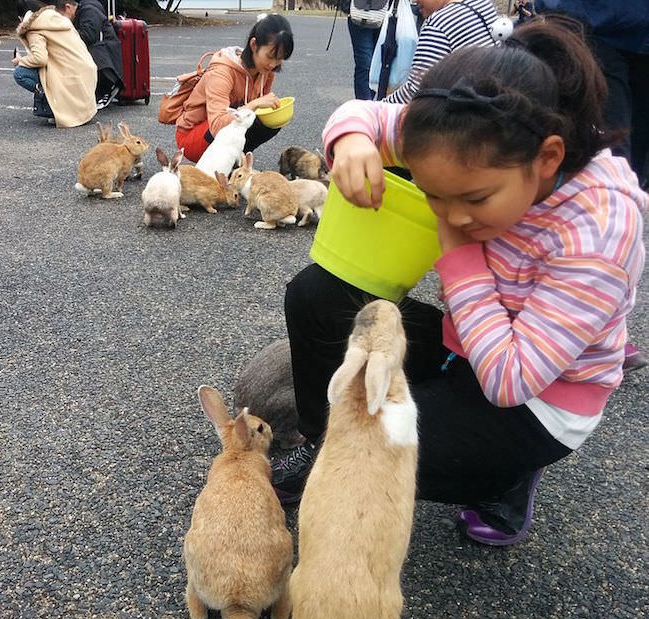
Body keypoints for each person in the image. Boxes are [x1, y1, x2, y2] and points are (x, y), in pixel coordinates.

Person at [272, 18, 646, 547]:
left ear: (548, 158)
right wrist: (352, 139)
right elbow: (364, 115)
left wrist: (459, 251)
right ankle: (321, 438)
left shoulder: (599, 230)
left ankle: (504, 477)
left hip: (535, 399)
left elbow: (510, 379)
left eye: (473, 199)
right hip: (466, 345)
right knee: (316, 296)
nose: (452, 214)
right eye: (435, 195)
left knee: (373, 444)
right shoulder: (466, 132)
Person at [534, 1, 649, 373]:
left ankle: (600, 318)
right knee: (592, 159)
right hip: (589, 20)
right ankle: (572, 318)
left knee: (633, 178)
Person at [174, 14, 294, 164]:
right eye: (270, 56)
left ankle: (234, 162)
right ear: (254, 45)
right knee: (247, 115)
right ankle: (219, 166)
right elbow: (217, 126)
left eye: (279, 58)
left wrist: (262, 108)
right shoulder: (221, 72)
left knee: (270, 121)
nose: (273, 64)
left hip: (222, 127)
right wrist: (254, 104)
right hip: (193, 137)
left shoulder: (266, 72)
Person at [383, 0, 497, 103]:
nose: (414, 1)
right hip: (494, 107)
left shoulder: (439, 23)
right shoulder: (482, 4)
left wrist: (375, 111)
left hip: (466, 116)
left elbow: (415, 92)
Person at [13, 0, 97, 128]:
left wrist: (20, 61)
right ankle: (71, 109)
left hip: (68, 76)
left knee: (20, 73)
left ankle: (52, 105)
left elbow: (40, 58)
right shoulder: (58, 19)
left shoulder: (34, 28)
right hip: (87, 72)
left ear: (21, 18)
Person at [71, 0, 124, 109]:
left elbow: (88, 36)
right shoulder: (86, 10)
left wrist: (66, 34)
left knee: (85, 52)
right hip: (106, 54)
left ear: (68, 7)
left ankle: (107, 87)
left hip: (106, 56)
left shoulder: (89, 11)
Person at [343, 0, 388, 100]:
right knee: (365, 64)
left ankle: (369, 104)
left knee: (380, 64)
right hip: (359, 13)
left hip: (387, 14)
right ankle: (365, 106)